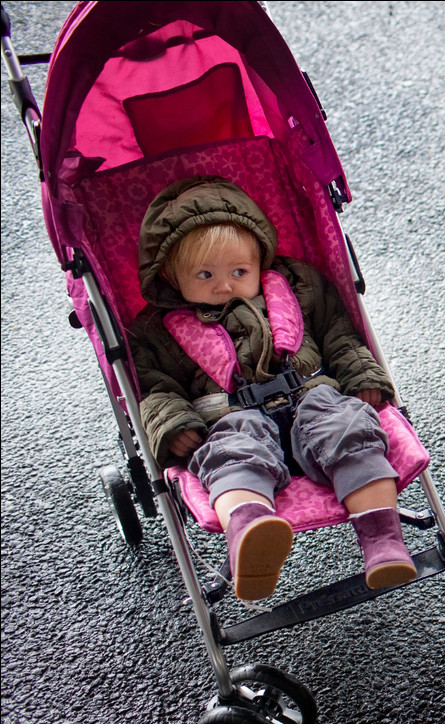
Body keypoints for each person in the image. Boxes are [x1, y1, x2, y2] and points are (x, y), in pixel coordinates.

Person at [131, 176, 417, 601]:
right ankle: (250, 532)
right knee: (230, 453)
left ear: (260, 260)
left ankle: (383, 540)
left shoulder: (299, 286)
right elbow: (156, 388)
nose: (223, 285)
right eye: (205, 274)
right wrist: (173, 425)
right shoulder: (156, 331)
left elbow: (339, 335)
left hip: (314, 396)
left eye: (238, 271)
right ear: (171, 277)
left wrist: (362, 378)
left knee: (351, 429)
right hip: (231, 419)